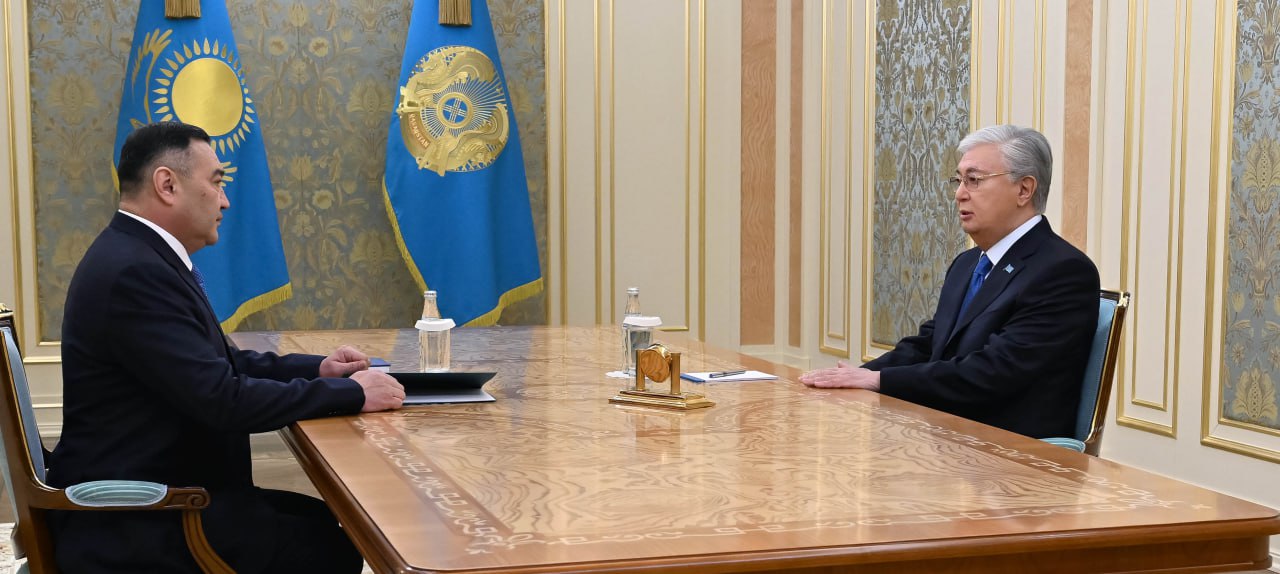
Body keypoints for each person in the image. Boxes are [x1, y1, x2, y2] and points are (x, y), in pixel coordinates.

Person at [47, 122, 407, 573]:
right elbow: (222, 400)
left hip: (166, 489)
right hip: (139, 516)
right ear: (167, 185)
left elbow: (221, 364)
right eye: (216, 182)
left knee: (330, 523)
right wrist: (352, 394)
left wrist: (320, 370)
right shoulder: (135, 272)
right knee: (328, 545)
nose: (225, 201)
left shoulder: (137, 255)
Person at [800, 125, 1099, 439]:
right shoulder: (967, 263)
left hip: (1008, 451)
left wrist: (880, 381)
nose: (959, 194)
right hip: (945, 435)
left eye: (974, 180)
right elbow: (931, 344)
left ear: (1024, 190)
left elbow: (994, 372)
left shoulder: (1063, 271)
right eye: (958, 180)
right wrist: (858, 376)